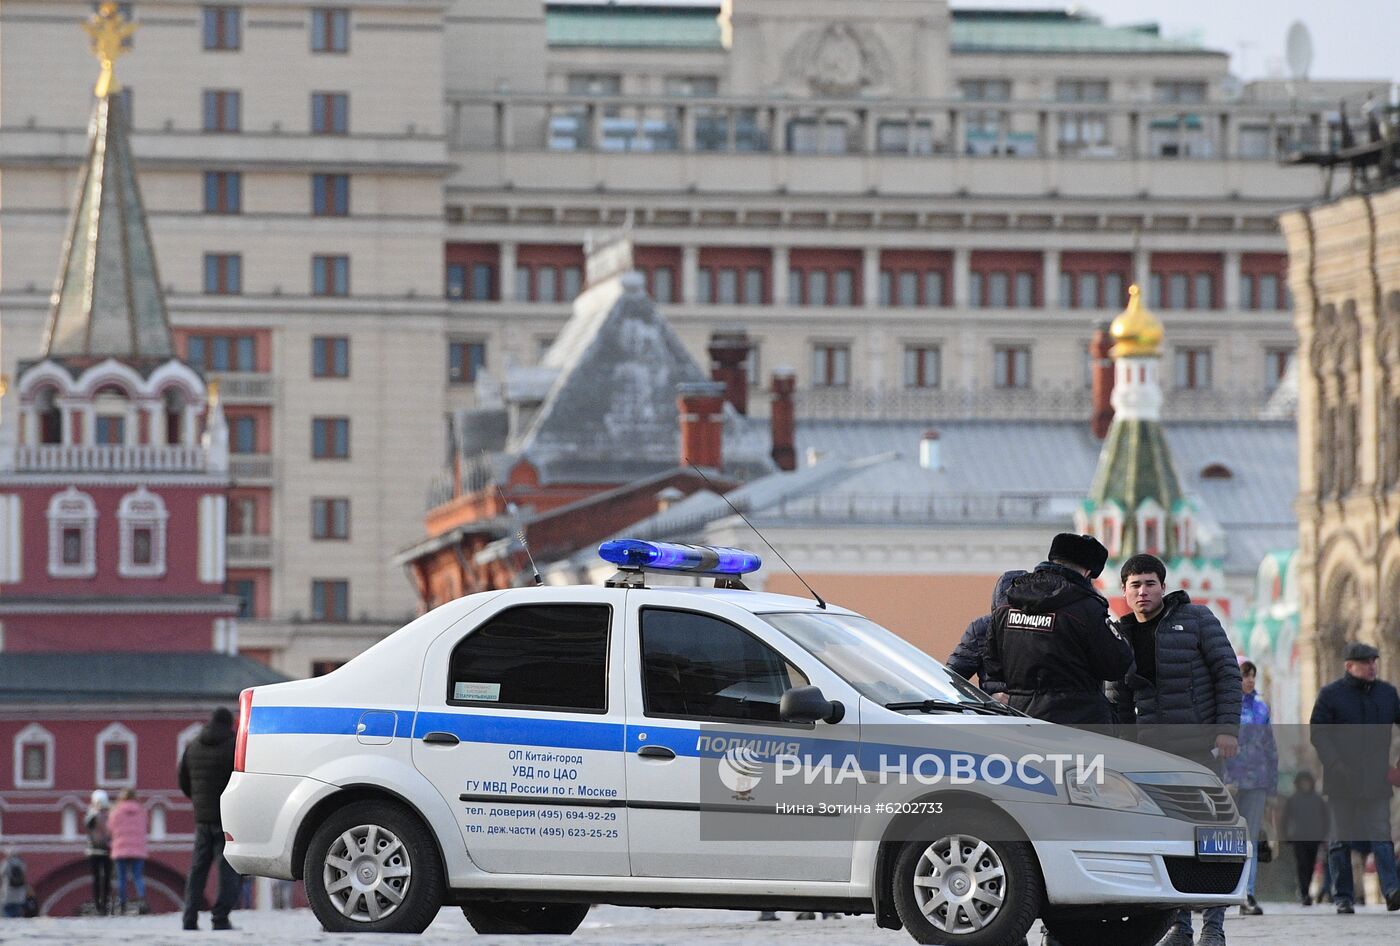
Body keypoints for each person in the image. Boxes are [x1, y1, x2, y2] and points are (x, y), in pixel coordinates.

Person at [1106, 553, 1240, 946]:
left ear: (1163, 587)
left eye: (1150, 584)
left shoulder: (1197, 619)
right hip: (1151, 758)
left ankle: (1214, 926)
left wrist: (1227, 730)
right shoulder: (1121, 635)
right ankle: (1180, 926)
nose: (1143, 592)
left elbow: (1227, 673)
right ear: (1124, 591)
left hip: (1201, 750)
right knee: (1166, 841)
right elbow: (1117, 700)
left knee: (1212, 837)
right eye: (1135, 585)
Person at [984, 534, 1131, 724]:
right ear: (1087, 573)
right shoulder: (1086, 608)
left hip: (1022, 718)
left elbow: (992, 663)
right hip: (1078, 720)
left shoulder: (1008, 603)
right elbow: (1116, 664)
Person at [1307, 641, 1400, 914]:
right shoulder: (1330, 695)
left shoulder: (1387, 694)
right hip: (1342, 780)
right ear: (1349, 666)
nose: (1372, 667)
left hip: (1377, 780)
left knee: (1382, 837)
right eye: (1365, 662)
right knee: (1340, 840)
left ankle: (1392, 890)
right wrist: (1335, 764)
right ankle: (1343, 896)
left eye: (1374, 661)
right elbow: (1318, 732)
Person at [1223, 659, 1278, 916]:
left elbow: (1270, 747)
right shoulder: (1226, 707)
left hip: (1256, 780)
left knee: (1251, 838)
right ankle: (1219, 891)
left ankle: (1248, 893)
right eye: (1246, 675)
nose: (1250, 680)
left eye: (1253, 676)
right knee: (1223, 838)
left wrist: (1272, 785)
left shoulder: (1260, 708)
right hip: (1229, 781)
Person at [179, 707, 241, 931]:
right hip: (227, 817)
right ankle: (220, 917)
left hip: (202, 818)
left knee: (198, 869)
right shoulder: (233, 746)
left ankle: (189, 917)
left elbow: (183, 781)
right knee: (228, 870)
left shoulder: (193, 746)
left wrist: (198, 801)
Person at [946, 569, 1028, 703]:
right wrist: (987, 700)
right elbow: (952, 679)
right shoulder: (981, 628)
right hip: (996, 713)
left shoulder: (1047, 627)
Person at [1282, 771, 1330, 906]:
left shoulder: (1318, 800)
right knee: (1302, 865)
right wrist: (1286, 835)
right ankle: (1304, 893)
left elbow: (1325, 819)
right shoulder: (1293, 799)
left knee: (1311, 866)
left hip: (1314, 838)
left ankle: (1306, 891)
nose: (1305, 785)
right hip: (1299, 838)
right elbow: (1285, 819)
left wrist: (1324, 835)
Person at [109, 788, 150, 915]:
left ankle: (122, 903)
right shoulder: (142, 811)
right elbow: (145, 826)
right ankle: (142, 900)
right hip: (138, 848)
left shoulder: (116, 812)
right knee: (138, 876)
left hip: (120, 848)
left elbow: (110, 828)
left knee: (121, 877)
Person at [84, 789, 113, 915]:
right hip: (96, 850)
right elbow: (88, 825)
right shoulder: (92, 814)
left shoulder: (108, 814)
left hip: (103, 850)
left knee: (105, 879)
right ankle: (99, 904)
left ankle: (103, 904)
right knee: (98, 879)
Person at [1, 846, 27, 918]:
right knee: (17, 908)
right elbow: (24, 872)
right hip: (19, 890)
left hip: (8, 890)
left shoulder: (7, 862)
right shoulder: (21, 862)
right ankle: (17, 919)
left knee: (7, 908)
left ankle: (10, 921)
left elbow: (2, 872)